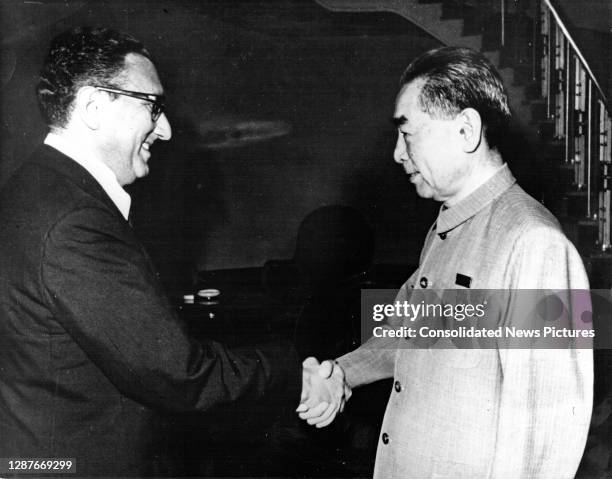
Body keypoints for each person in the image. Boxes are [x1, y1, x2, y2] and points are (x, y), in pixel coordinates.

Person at [0, 26, 345, 477]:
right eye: (152, 106)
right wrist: (293, 372)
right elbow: (178, 375)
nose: (164, 130)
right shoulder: (76, 222)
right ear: (92, 107)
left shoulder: (32, 189)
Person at [298, 46, 593, 478]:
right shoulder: (446, 228)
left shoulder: (534, 244)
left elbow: (545, 438)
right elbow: (412, 333)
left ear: (466, 130)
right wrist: (342, 372)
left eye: (407, 133)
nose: (398, 153)